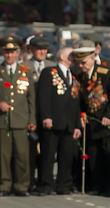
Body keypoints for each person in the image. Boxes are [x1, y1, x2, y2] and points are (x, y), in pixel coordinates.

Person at [0, 36, 36, 196]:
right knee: (3, 155)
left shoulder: (26, 72)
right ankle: (4, 186)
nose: (9, 55)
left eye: (12, 52)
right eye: (6, 52)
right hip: (2, 120)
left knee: (22, 155)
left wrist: (32, 119)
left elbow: (31, 98)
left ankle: (22, 186)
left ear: (18, 53)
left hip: (21, 119)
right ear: (2, 53)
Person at [37, 47, 82, 196]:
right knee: (48, 155)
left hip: (69, 123)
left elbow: (76, 103)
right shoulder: (49, 72)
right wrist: (46, 116)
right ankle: (45, 185)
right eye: (72, 55)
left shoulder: (73, 76)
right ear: (62, 56)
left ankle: (63, 185)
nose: (74, 58)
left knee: (66, 156)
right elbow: (43, 97)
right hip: (53, 122)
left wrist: (76, 125)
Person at [74, 42, 110, 196]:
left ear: (92, 58)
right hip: (90, 122)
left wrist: (108, 115)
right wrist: (82, 115)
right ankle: (97, 185)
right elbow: (80, 100)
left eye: (84, 62)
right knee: (93, 155)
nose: (81, 66)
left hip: (105, 122)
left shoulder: (105, 73)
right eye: (79, 63)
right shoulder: (80, 76)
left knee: (106, 153)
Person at [22, 36, 57, 192]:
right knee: (29, 151)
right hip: (30, 113)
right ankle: (29, 182)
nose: (42, 52)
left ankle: (45, 182)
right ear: (31, 50)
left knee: (47, 150)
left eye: (44, 49)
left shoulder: (52, 66)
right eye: (39, 49)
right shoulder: (24, 66)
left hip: (47, 113)